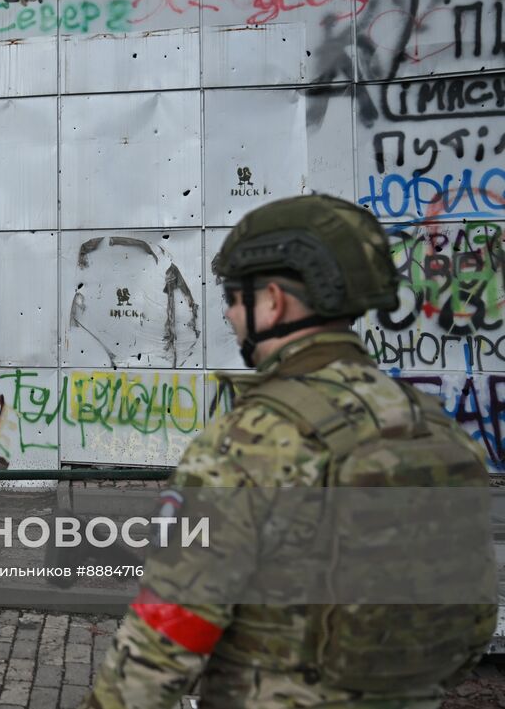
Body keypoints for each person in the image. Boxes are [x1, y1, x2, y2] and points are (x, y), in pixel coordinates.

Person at [83, 194, 495, 709]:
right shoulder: (436, 428)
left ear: (273, 301)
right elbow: (474, 621)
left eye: (234, 298)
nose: (232, 317)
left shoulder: (249, 442)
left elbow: (166, 640)